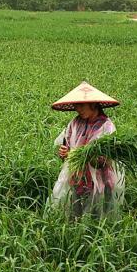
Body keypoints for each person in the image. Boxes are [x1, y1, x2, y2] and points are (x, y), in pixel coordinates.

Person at [48, 81, 125, 220]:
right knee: (74, 216)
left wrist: (73, 154)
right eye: (76, 105)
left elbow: (101, 160)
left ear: (94, 104)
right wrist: (64, 152)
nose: (78, 109)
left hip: (99, 181)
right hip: (76, 178)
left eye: (82, 105)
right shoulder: (75, 123)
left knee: (97, 218)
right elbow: (67, 148)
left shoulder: (106, 127)